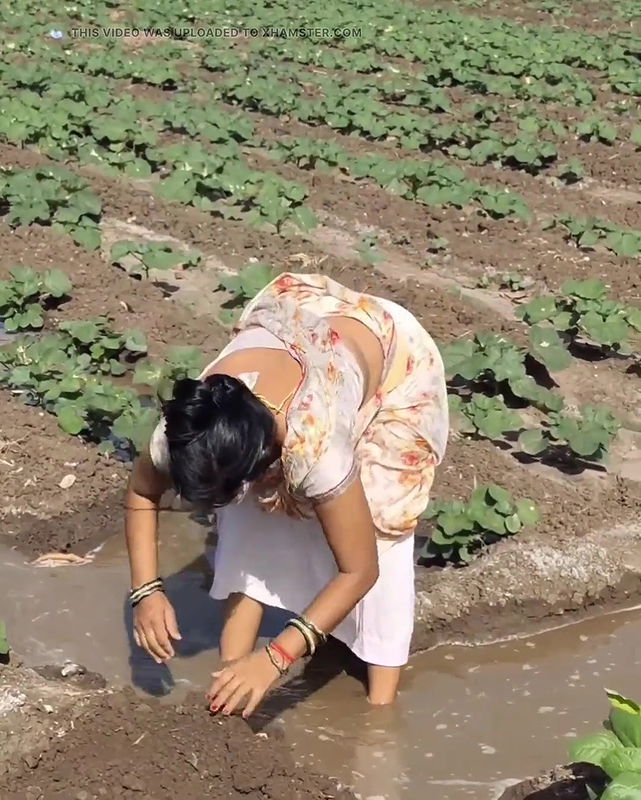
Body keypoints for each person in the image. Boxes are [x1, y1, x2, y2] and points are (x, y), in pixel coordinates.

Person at [124, 272, 448, 718]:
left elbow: (361, 569)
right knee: (247, 515)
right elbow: (142, 494)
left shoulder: (316, 444)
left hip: (392, 359)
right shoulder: (189, 424)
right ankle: (231, 675)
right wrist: (146, 591)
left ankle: (379, 707)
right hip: (304, 322)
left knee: (379, 523)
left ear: (266, 451)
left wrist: (275, 658)